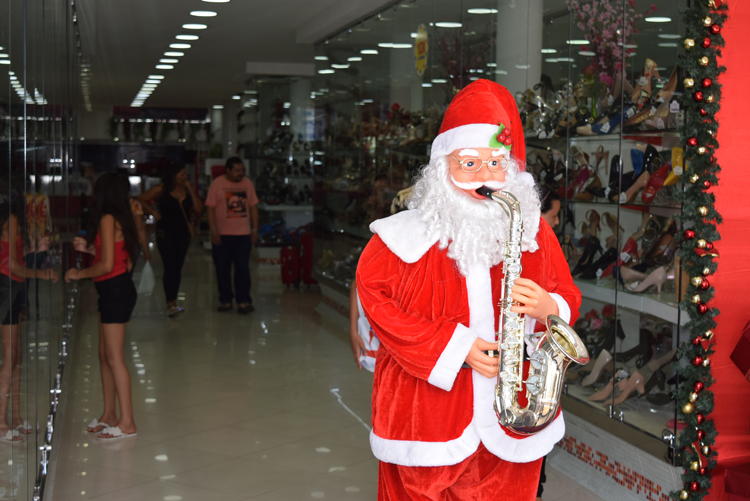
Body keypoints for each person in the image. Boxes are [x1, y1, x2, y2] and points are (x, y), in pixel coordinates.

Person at [356, 80, 581, 500]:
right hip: (425, 420)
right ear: (443, 166)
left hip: (514, 418)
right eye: (470, 164)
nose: (486, 178)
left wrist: (551, 306)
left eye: (496, 164)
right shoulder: (401, 236)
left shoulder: (533, 231)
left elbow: (565, 291)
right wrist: (454, 348)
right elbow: (377, 303)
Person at [66, 172, 139, 440]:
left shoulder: (109, 219)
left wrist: (78, 273)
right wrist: (88, 251)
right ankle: (110, 413)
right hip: (111, 289)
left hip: (115, 290)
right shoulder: (119, 218)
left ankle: (127, 421)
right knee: (104, 355)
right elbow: (112, 256)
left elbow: (107, 266)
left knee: (115, 358)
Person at [0, 198, 58, 441]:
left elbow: (13, 257)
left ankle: (14, 417)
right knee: (11, 355)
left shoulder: (11, 221)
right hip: (7, 288)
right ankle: (2, 420)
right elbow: (12, 265)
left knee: (16, 356)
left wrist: (33, 251)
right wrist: (42, 273)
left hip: (11, 289)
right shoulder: (11, 220)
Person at [139, 164, 203, 316]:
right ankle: (170, 302)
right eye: (182, 175)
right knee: (170, 264)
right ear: (173, 176)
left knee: (178, 266)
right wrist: (154, 213)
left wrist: (191, 190)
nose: (185, 177)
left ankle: (173, 298)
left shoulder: (187, 190)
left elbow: (199, 208)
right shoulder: (161, 189)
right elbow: (140, 200)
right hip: (165, 232)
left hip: (183, 233)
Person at [206, 157, 259, 314]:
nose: (240, 173)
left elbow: (253, 208)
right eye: (237, 170)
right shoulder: (217, 184)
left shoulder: (248, 184)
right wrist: (213, 230)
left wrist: (255, 230)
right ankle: (225, 300)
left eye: (242, 170)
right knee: (222, 269)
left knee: (243, 268)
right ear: (227, 170)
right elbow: (209, 209)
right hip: (222, 236)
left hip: (243, 235)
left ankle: (243, 300)